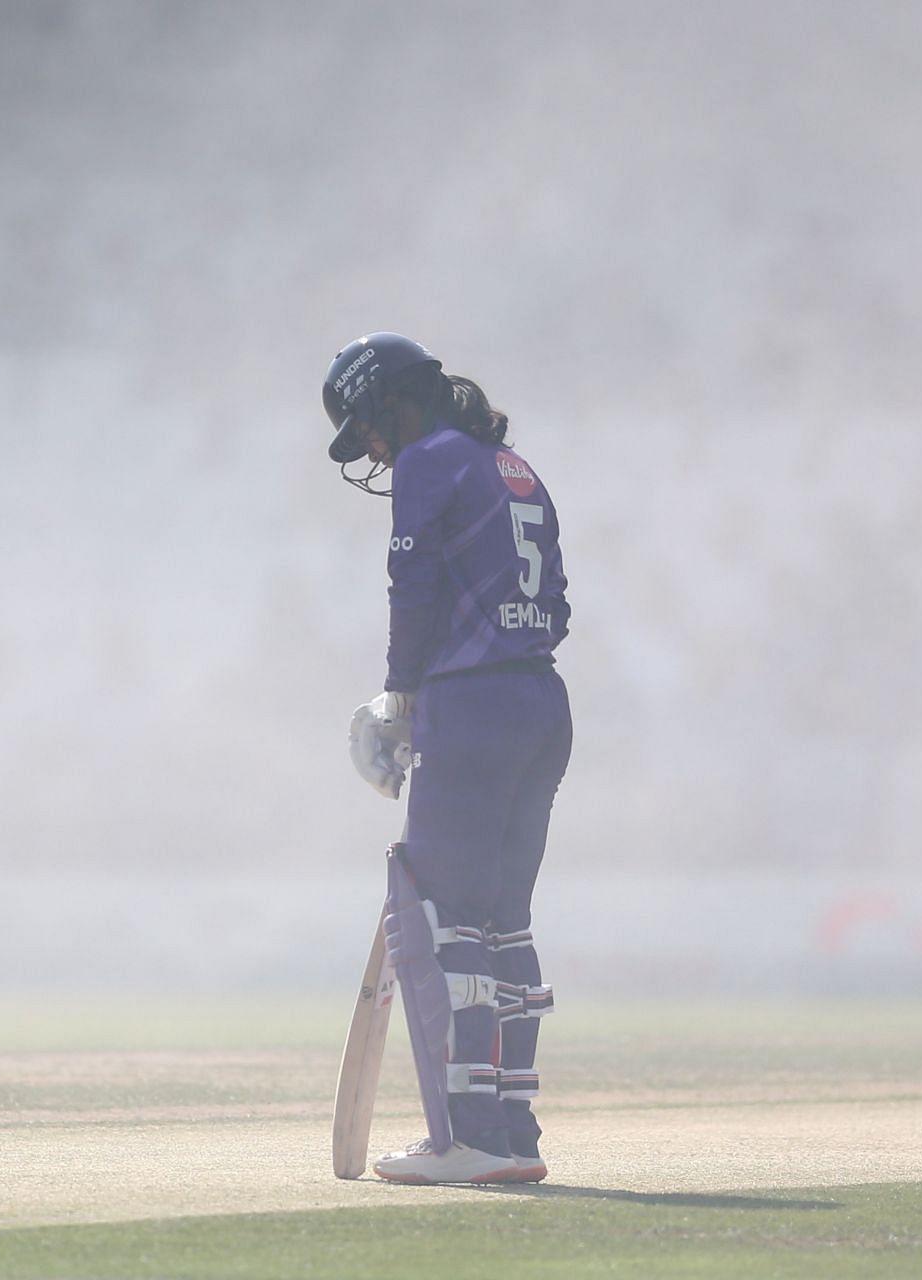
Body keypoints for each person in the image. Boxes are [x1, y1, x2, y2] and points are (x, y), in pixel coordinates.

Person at [324, 332, 574, 1185]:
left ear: (396, 399)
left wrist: (402, 697)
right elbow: (559, 603)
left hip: (472, 707)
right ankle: (513, 1131)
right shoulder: (512, 466)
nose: (376, 451)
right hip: (541, 701)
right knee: (505, 921)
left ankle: (464, 1138)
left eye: (369, 430)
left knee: (441, 919)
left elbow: (413, 586)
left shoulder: (432, 459)